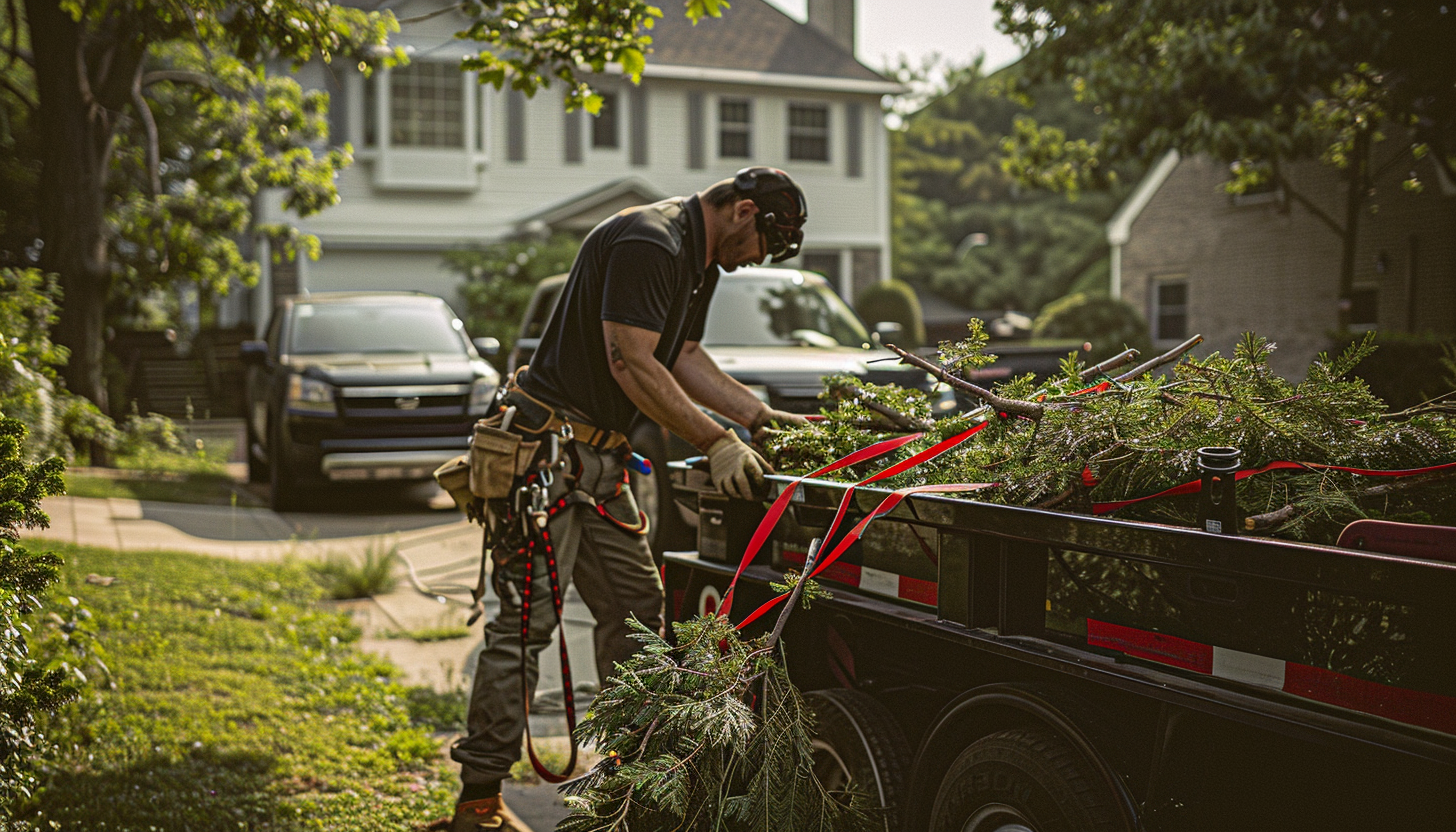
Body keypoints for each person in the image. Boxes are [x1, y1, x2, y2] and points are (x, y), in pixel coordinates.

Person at [429, 167, 811, 831]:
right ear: (743, 212)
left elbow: (683, 353)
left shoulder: (699, 263)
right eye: (762, 245)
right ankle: (478, 804)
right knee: (525, 632)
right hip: (545, 457)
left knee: (636, 612)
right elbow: (630, 360)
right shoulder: (651, 240)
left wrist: (759, 419)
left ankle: (631, 787)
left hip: (600, 463)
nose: (755, 262)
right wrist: (716, 440)